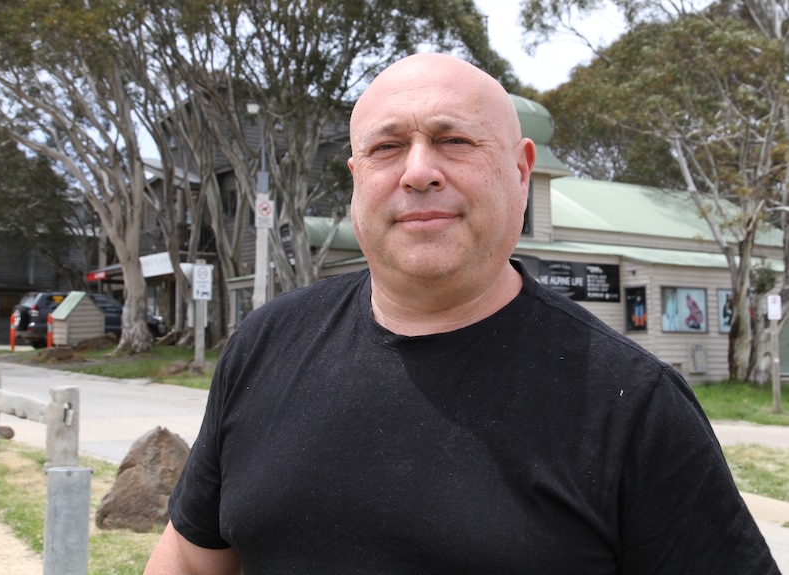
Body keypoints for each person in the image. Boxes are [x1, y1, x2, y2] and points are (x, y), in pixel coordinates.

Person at [145, 53, 779, 574]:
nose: (419, 171)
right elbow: (192, 560)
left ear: (522, 172)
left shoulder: (634, 405)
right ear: (357, 176)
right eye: (388, 147)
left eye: (453, 140)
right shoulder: (266, 344)